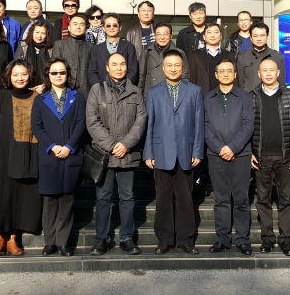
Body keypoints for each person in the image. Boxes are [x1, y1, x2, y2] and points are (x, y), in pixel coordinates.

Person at [143, 49, 204, 255]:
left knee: (186, 198)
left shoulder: (194, 91)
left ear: (183, 67)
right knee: (163, 198)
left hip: (186, 152)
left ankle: (186, 240)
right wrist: (148, 153)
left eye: (177, 65)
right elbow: (149, 125)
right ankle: (164, 239)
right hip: (161, 152)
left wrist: (197, 150)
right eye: (169, 65)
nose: (173, 69)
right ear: (163, 68)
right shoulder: (153, 92)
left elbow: (199, 124)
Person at [86, 53, 147, 256]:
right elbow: (92, 122)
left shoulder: (136, 92)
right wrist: (112, 145)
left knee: (127, 197)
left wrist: (126, 144)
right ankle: (101, 238)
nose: (119, 68)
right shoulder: (97, 90)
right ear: (107, 67)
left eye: (122, 64)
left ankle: (127, 238)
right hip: (105, 154)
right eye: (114, 64)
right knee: (103, 197)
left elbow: (141, 121)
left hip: (128, 154)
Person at [0, 60, 43, 257]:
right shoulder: (0, 96)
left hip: (30, 151)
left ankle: (12, 238)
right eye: (15, 74)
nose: (20, 78)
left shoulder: (38, 97)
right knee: (1, 195)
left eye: (24, 74)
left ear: (30, 76)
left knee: (21, 196)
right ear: (9, 76)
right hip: (3, 154)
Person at [31, 58, 87, 257]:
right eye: (54, 72)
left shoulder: (77, 97)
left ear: (67, 74)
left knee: (66, 200)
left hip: (70, 154)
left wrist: (69, 146)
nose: (58, 76)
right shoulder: (40, 100)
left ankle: (63, 242)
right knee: (50, 200)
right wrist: (53, 146)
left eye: (62, 72)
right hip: (50, 155)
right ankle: (50, 242)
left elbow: (81, 123)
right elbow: (37, 126)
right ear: (48, 75)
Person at [250, 58, 290, 256]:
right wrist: (249, 152)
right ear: (259, 74)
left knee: (285, 200)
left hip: (285, 157)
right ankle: (267, 239)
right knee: (263, 200)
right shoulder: (251, 96)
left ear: (278, 72)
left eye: (272, 70)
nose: (268, 73)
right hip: (261, 157)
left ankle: (286, 240)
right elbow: (246, 127)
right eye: (265, 70)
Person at [203, 59, 254, 256]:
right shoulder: (208, 98)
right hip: (215, 155)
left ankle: (243, 240)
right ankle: (222, 238)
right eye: (222, 71)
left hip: (240, 154)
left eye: (229, 71)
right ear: (216, 75)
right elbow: (205, 126)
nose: (225, 74)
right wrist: (219, 148)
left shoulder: (245, 97)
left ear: (235, 74)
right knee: (221, 198)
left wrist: (232, 147)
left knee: (241, 199)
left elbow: (248, 125)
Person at [87, 13, 139, 87]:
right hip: (102, 90)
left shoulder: (129, 47)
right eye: (108, 26)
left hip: (124, 89)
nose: (111, 28)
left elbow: (133, 71)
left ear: (120, 27)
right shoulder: (96, 49)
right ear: (103, 28)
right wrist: (100, 88)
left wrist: (123, 87)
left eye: (115, 25)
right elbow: (92, 72)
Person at [138, 23, 189, 93]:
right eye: (159, 34)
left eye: (165, 34)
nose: (162, 37)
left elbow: (185, 76)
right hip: (150, 94)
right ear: (155, 36)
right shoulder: (146, 52)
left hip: (172, 94)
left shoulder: (179, 53)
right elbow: (141, 77)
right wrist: (140, 96)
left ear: (171, 36)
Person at [187, 23, 235, 96]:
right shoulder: (195, 55)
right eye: (209, 32)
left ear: (221, 36)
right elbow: (192, 79)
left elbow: (234, 79)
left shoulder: (229, 55)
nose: (212, 35)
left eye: (216, 32)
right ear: (204, 37)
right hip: (202, 96)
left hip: (225, 96)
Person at [237, 22, 285, 91]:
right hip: (249, 96)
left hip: (271, 96)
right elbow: (240, 83)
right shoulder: (242, 57)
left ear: (267, 36)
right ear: (251, 37)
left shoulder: (277, 56)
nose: (259, 39)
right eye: (255, 36)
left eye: (262, 35)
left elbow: (281, 82)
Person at [52, 13, 93, 96]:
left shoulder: (92, 47)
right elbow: (54, 68)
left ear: (86, 28)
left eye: (81, 24)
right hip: (64, 87)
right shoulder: (59, 45)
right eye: (75, 24)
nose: (78, 27)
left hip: (85, 89)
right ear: (69, 28)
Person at [16, 22, 52, 93]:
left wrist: (45, 85)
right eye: (37, 32)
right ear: (32, 32)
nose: (39, 36)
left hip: (45, 88)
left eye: (43, 33)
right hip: (25, 87)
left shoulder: (51, 49)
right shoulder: (23, 46)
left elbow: (53, 71)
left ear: (47, 35)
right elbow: (17, 66)